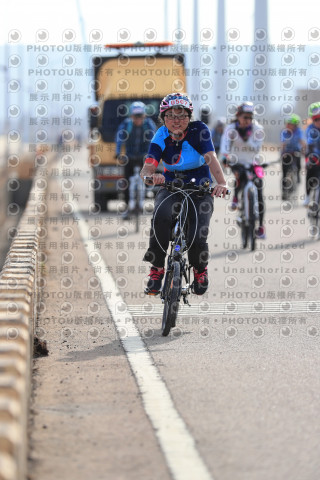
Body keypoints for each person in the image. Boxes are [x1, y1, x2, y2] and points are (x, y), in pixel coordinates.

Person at [140, 92, 228, 296]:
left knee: (197, 236)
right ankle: (157, 269)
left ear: (190, 117)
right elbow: (148, 167)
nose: (176, 121)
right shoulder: (161, 135)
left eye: (182, 116)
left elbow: (211, 157)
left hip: (200, 186)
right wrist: (151, 177)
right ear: (163, 118)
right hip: (171, 184)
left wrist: (221, 183)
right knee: (160, 218)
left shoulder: (199, 130)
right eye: (170, 116)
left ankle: (200, 270)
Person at [220, 102, 266, 239]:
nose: (247, 120)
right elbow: (225, 146)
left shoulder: (257, 128)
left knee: (259, 189)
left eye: (250, 118)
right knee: (239, 176)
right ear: (238, 116)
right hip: (237, 161)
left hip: (253, 162)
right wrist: (225, 157)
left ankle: (261, 227)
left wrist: (246, 138)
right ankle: (235, 198)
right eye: (245, 117)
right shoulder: (230, 128)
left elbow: (257, 148)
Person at [115, 101, 156, 214]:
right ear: (131, 116)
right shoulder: (126, 124)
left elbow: (154, 140)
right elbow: (119, 139)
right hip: (130, 156)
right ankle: (127, 206)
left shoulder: (149, 124)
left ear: (144, 116)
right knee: (127, 181)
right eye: (135, 116)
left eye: (140, 116)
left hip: (144, 155)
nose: (138, 119)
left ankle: (147, 192)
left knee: (149, 176)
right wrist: (118, 153)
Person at [280, 114, 306, 200]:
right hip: (287, 152)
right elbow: (283, 144)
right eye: (287, 123)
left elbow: (302, 142)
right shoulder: (284, 132)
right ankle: (284, 191)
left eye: (290, 124)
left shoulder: (298, 131)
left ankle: (297, 177)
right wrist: (282, 153)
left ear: (295, 125)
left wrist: (305, 151)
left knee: (298, 165)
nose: (287, 125)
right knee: (284, 171)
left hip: (296, 151)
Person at [304, 102, 320, 206]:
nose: (318, 122)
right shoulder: (310, 129)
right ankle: (308, 196)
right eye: (316, 119)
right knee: (310, 172)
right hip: (313, 156)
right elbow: (310, 143)